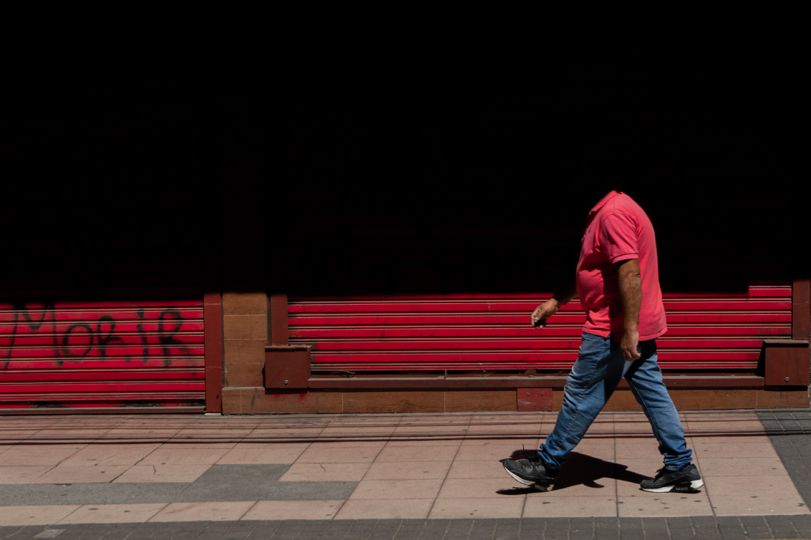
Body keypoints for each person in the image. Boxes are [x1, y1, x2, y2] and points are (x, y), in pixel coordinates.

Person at [501, 189, 703, 493]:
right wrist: (557, 301)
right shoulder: (611, 210)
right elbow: (595, 270)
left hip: (612, 327)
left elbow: (629, 272)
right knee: (652, 393)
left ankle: (547, 465)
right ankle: (680, 467)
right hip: (632, 324)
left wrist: (629, 329)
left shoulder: (613, 214)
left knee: (581, 393)